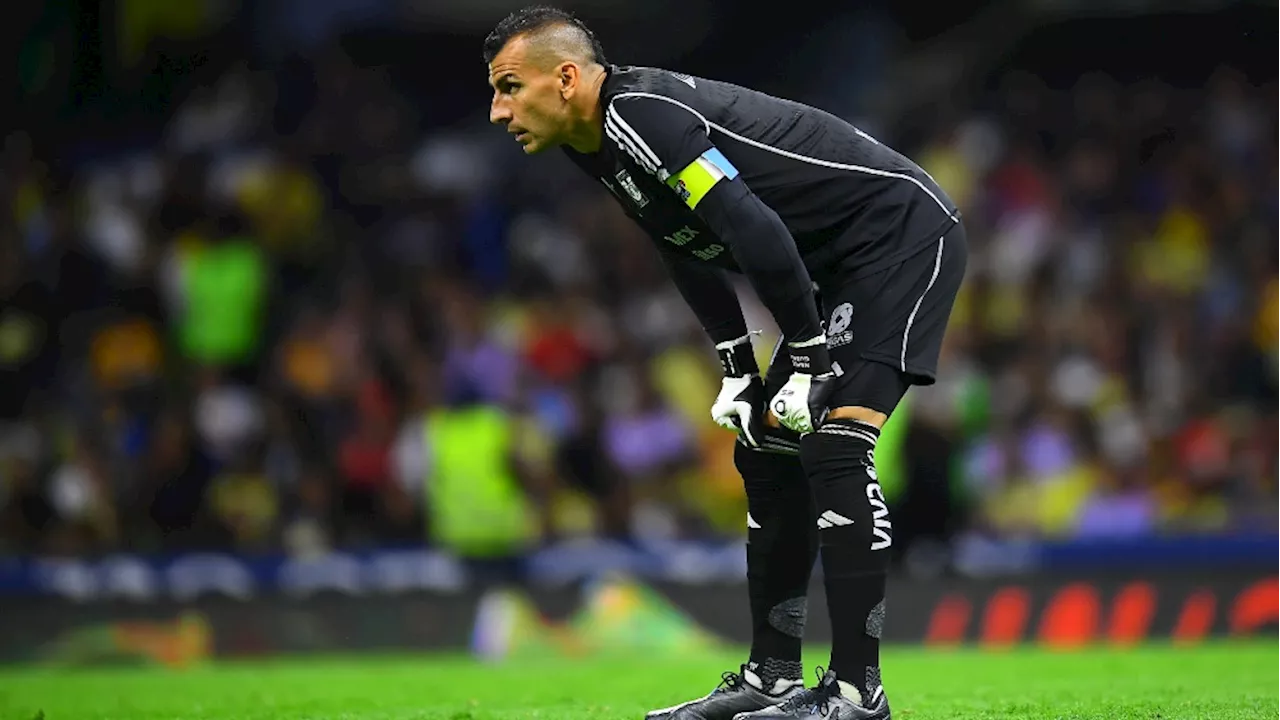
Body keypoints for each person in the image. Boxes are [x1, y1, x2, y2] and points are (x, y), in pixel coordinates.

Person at [483, 7, 967, 720]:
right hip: (835, 264)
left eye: (507, 87)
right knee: (767, 449)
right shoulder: (593, 142)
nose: (497, 111)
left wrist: (806, 355)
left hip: (899, 237)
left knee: (833, 442)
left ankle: (859, 693)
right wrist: (738, 365)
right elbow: (683, 240)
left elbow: (752, 225)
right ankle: (772, 676)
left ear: (564, 77)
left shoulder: (640, 114)